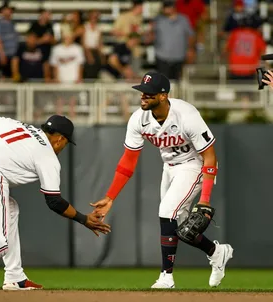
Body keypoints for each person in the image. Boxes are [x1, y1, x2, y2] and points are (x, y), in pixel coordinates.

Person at [90, 71, 233, 289]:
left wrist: (205, 199)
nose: (143, 97)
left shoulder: (186, 114)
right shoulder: (139, 119)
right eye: (142, 93)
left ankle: (166, 276)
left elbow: (210, 155)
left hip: (194, 165)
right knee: (182, 229)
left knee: (166, 212)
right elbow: (128, 161)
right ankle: (217, 252)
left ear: (163, 96)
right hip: (169, 168)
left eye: (149, 93)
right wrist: (111, 197)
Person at [0, 113, 111, 290]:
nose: (63, 147)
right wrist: (83, 219)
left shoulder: (16, 125)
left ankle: (15, 277)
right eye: (66, 143)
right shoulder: (47, 155)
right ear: (60, 139)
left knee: (11, 209)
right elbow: (54, 201)